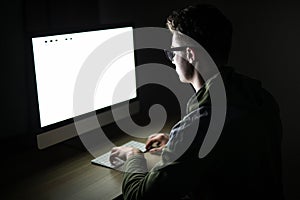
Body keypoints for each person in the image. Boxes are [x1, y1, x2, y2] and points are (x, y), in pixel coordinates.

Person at [109, 4, 284, 200]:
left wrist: (133, 156)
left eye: (173, 52)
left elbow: (138, 197)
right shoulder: (259, 96)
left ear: (190, 54)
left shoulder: (200, 124)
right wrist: (177, 143)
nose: (173, 59)